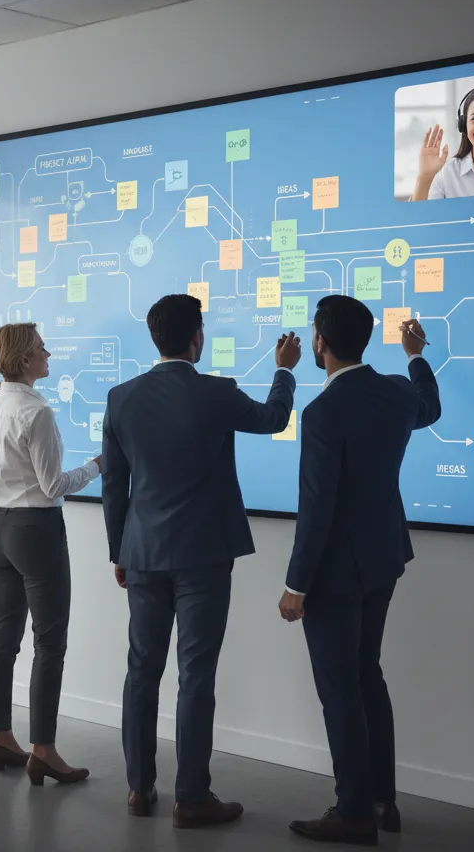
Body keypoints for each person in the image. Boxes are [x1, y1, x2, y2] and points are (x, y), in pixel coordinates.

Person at [102, 294, 300, 828]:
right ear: (197, 339)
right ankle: (191, 797)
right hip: (204, 558)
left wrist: (118, 549)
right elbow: (275, 418)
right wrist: (283, 371)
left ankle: (139, 789)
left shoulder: (121, 397)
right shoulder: (216, 392)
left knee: (141, 671)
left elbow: (114, 484)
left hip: (142, 552)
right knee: (196, 676)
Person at [279, 296, 439, 845]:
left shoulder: (322, 412)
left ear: (320, 344)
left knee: (340, 690)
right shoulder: (395, 390)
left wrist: (295, 584)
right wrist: (415, 356)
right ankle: (381, 801)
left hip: (335, 574)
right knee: (367, 676)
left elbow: (317, 505)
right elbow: (430, 407)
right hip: (383, 559)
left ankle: (351, 812)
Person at [0, 323, 100, 785]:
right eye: (41, 349)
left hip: (0, 524)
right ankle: (43, 751)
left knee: (3, 636)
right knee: (49, 643)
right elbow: (53, 485)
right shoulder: (36, 411)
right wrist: (97, 465)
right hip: (36, 528)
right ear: (25, 360)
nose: (48, 354)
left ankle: (3, 740)